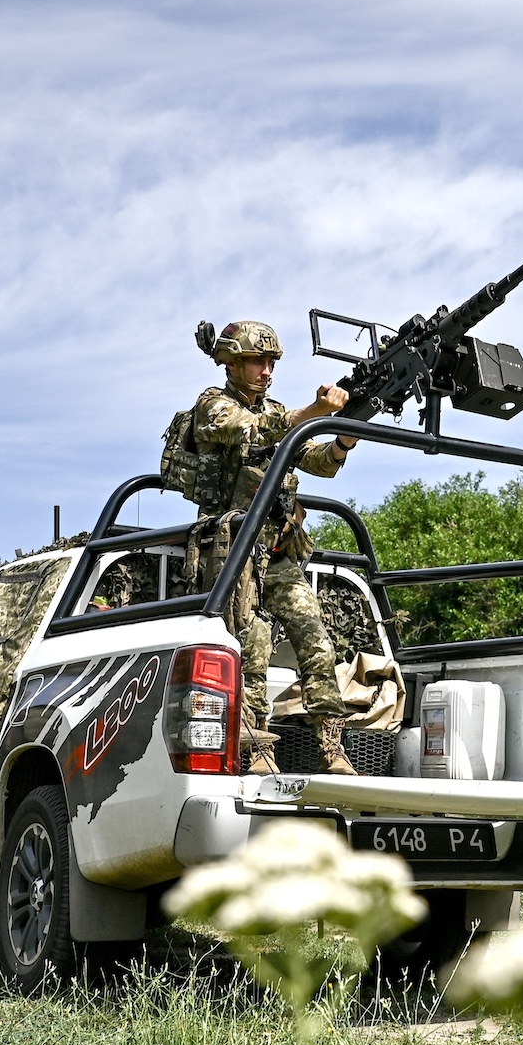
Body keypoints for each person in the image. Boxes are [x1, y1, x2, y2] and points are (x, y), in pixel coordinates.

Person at [166, 318, 358, 774]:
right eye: (256, 360)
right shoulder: (213, 406)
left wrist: (344, 438)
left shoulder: (278, 410)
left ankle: (332, 748)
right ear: (231, 362)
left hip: (277, 550)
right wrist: (312, 412)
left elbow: (316, 462)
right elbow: (252, 430)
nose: (266, 369)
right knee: (250, 648)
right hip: (231, 551)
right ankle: (257, 751)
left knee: (317, 641)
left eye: (271, 361)